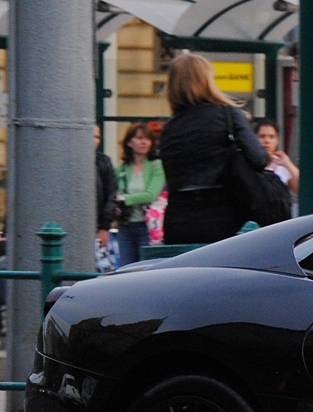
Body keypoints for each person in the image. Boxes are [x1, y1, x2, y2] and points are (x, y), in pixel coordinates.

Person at [158, 53, 269, 244]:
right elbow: (259, 159)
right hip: (223, 217)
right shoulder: (228, 115)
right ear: (207, 81)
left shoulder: (169, 129)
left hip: (178, 220)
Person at [114, 123, 165, 266]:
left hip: (147, 227)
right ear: (129, 142)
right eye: (139, 138)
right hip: (125, 226)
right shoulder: (121, 168)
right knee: (125, 270)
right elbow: (114, 193)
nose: (144, 142)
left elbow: (151, 195)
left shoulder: (156, 165)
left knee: (146, 269)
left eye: (147, 139)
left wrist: (124, 199)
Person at [255, 119, 300, 198]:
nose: (267, 141)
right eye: (262, 136)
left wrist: (288, 163)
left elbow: (300, 188)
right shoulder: (246, 162)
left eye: (271, 137)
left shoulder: (281, 165)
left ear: (277, 141)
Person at [93, 126, 118, 261]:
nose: (95, 141)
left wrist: (104, 227)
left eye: (97, 137)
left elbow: (111, 194)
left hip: (99, 226)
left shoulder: (104, 162)